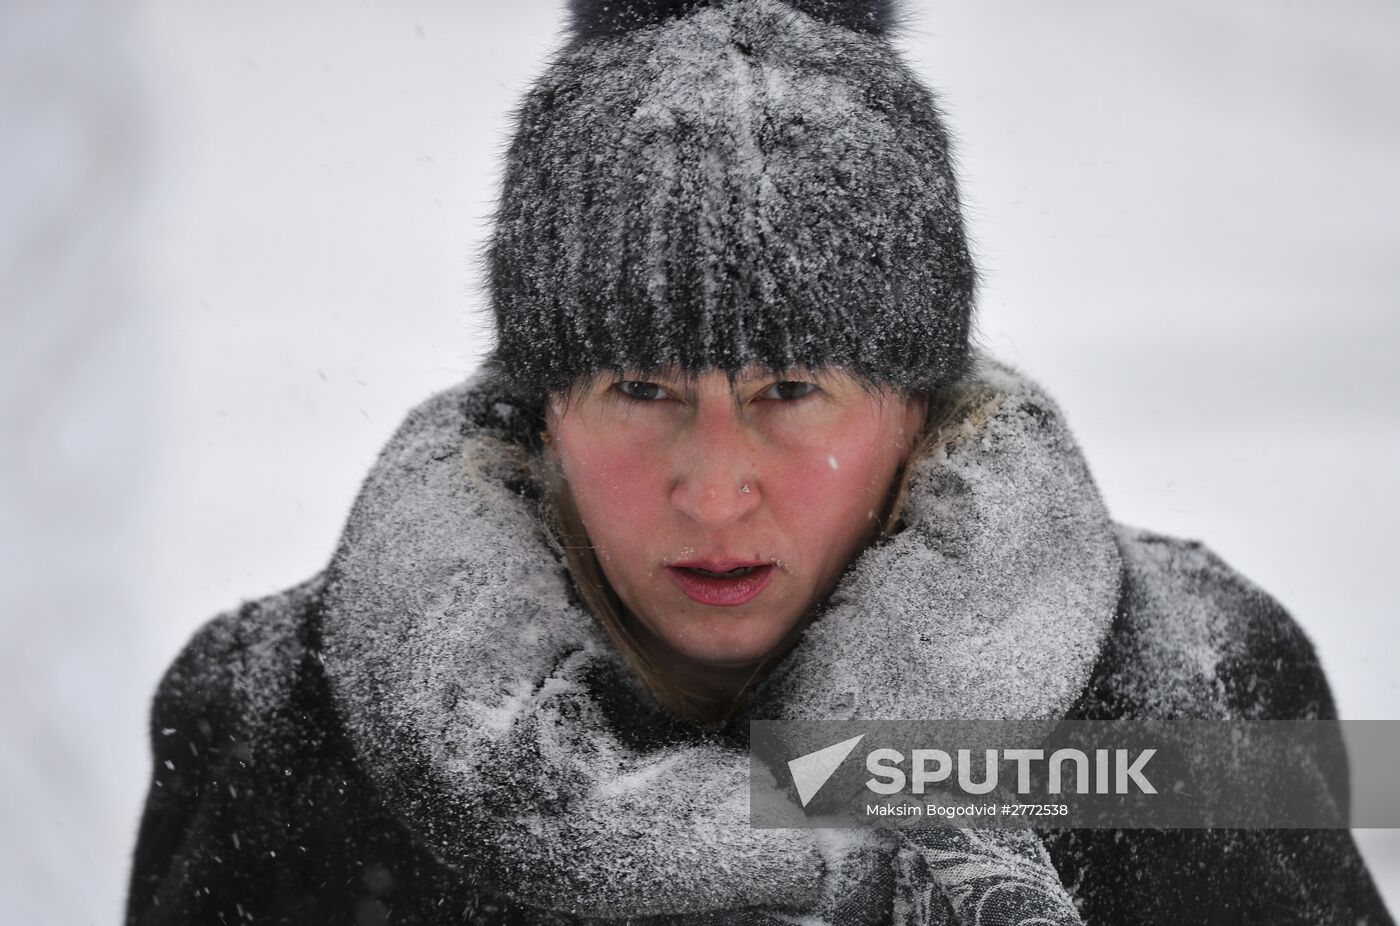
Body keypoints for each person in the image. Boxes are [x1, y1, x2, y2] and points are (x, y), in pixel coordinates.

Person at [124, 1, 1394, 923]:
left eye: (790, 390)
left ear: (919, 407)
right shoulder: (276, 725)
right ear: (538, 413)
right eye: (640, 388)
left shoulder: (1208, 691)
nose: (715, 486)